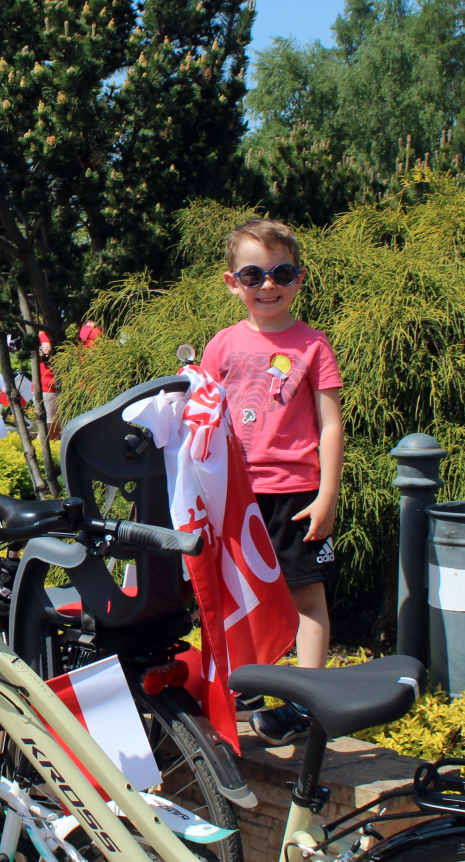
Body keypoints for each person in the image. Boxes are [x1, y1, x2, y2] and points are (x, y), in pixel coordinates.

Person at [202, 218, 344, 747]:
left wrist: (327, 495)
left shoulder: (313, 345)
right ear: (232, 282)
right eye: (253, 274)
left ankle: (306, 704)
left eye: (281, 273)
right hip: (234, 496)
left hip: (296, 496)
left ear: (299, 279)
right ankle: (248, 686)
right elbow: (201, 420)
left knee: (306, 597)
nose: (267, 284)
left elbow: (331, 424)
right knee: (239, 598)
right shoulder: (220, 346)